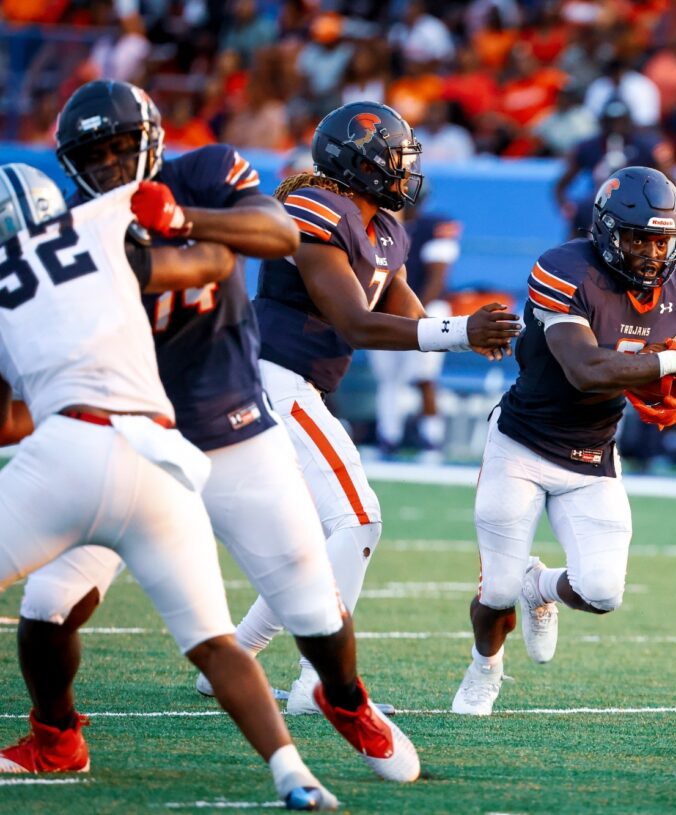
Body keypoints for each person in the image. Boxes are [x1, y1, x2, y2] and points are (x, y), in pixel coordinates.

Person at [4, 80, 420, 784]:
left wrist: (181, 213)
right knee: (46, 609)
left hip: (229, 425)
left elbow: (276, 232)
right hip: (126, 439)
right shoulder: (69, 233)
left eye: (120, 147)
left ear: (152, 142)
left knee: (312, 602)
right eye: (94, 155)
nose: (110, 165)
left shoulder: (201, 172)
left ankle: (347, 700)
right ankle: (55, 736)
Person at [0, 164, 335, 810]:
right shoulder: (102, 232)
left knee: (44, 608)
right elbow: (211, 262)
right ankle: (296, 774)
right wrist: (180, 225)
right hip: (161, 455)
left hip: (68, 449)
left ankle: (56, 738)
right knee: (214, 640)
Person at [242, 101, 520, 701]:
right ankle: (318, 681)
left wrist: (484, 333)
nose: (404, 171)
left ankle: (234, 657)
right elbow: (356, 323)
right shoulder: (316, 212)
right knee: (358, 519)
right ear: (358, 163)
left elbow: (411, 320)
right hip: (273, 379)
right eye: (394, 159)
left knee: (315, 539)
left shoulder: (385, 229)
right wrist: (459, 331)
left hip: (297, 385)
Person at [451, 166, 676, 716]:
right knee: (494, 591)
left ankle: (539, 588)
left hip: (594, 453)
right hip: (522, 444)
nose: (651, 252)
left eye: (661, 239)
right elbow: (586, 369)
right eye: (639, 237)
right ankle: (484, 670)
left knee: (603, 591)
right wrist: (666, 360)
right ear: (608, 231)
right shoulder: (565, 269)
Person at [368, 186, 463, 460]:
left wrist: (412, 311)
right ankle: (388, 437)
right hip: (386, 310)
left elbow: (437, 277)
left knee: (423, 376)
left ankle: (431, 439)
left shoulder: (434, 226)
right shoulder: (379, 225)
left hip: (427, 309)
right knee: (388, 378)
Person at [553, 98, 676, 239]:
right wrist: (567, 207)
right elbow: (561, 185)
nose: (615, 127)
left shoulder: (646, 147)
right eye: (611, 122)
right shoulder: (589, 147)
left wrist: (663, 211)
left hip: (638, 206)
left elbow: (673, 184)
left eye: (620, 122)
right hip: (598, 203)